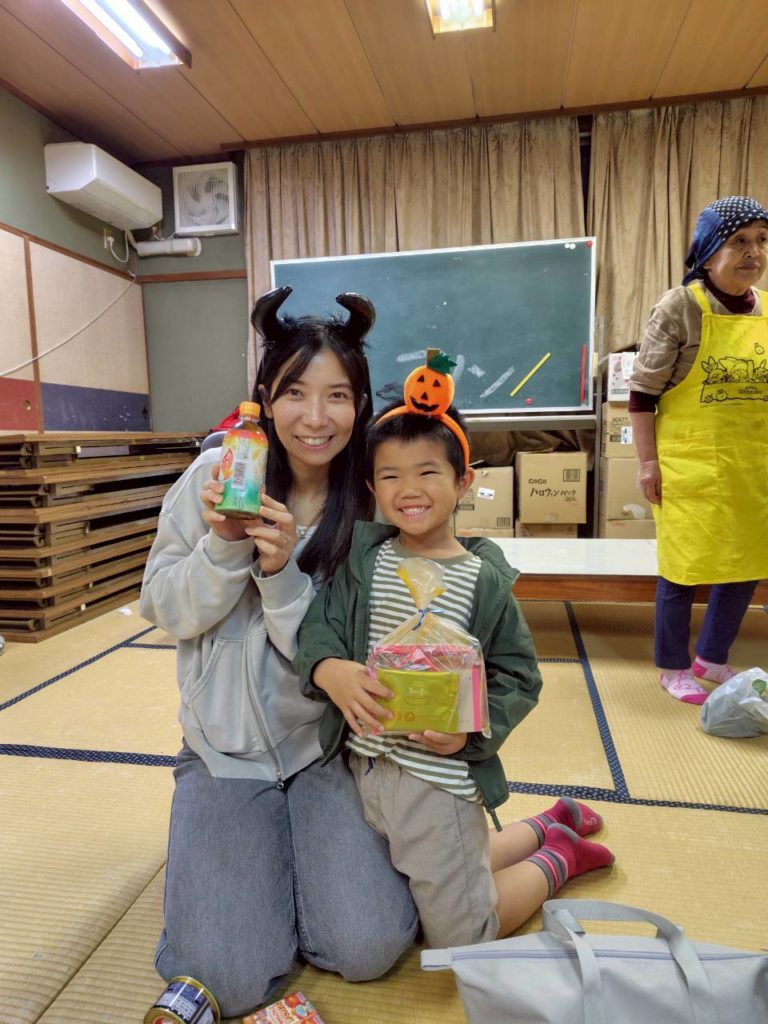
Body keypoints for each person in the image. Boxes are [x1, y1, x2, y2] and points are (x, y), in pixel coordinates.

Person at [139, 286, 418, 1018]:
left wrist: (283, 574)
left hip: (321, 752)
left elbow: (352, 655)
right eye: (295, 392)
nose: (315, 417)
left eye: (337, 396)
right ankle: (244, 875)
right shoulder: (212, 478)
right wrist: (224, 548)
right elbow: (165, 609)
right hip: (222, 755)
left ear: (360, 405)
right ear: (265, 398)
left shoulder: (367, 508)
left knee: (368, 946)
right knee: (225, 980)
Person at [296, 359, 614, 949]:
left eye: (427, 472)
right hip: (361, 773)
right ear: (371, 487)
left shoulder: (482, 580)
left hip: (437, 783)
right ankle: (546, 824)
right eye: (390, 476)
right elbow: (321, 627)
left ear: (464, 481)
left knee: (461, 934)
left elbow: (519, 676)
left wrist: (469, 731)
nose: (409, 490)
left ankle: (559, 856)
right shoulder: (365, 563)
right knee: (433, 875)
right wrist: (328, 668)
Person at [628, 195, 768, 705]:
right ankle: (673, 666)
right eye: (739, 241)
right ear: (708, 253)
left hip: (752, 466)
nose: (754, 252)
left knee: (746, 563)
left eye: (761, 241)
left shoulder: (767, 309)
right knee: (682, 569)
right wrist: (648, 463)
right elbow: (642, 396)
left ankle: (712, 656)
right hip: (688, 465)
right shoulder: (681, 306)